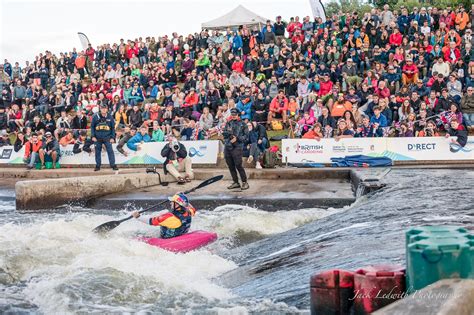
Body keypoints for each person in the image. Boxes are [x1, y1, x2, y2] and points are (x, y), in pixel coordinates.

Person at [131, 193, 196, 239]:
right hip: (181, 234)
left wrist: (138, 217)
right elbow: (191, 207)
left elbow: (150, 221)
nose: (170, 203)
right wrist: (181, 196)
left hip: (167, 240)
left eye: (172, 202)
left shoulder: (169, 217)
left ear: (177, 205)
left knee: (139, 236)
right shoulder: (189, 212)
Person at [223, 108, 249, 190]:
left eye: (235, 115)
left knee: (238, 165)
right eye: (232, 114)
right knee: (230, 166)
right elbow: (224, 133)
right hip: (228, 146)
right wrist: (230, 136)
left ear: (238, 115)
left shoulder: (243, 124)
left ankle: (244, 182)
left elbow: (246, 137)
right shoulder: (229, 123)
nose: (233, 116)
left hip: (237, 147)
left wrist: (237, 138)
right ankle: (236, 182)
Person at [91, 104, 118, 171]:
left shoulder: (110, 117)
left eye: (105, 108)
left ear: (107, 109)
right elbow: (92, 127)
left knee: (110, 151)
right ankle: (98, 166)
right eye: (102, 108)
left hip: (107, 138)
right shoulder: (95, 117)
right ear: (100, 109)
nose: (103, 109)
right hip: (97, 138)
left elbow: (113, 128)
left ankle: (113, 165)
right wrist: (93, 136)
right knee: (97, 152)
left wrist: (112, 137)